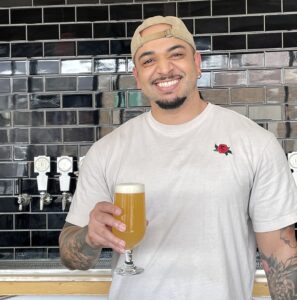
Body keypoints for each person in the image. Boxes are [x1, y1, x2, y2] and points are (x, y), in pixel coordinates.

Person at [59, 16, 297, 299]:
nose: (163, 69)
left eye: (176, 55)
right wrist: (88, 237)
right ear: (137, 76)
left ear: (197, 63)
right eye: (148, 61)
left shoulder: (255, 143)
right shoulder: (107, 151)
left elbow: (281, 251)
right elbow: (71, 256)